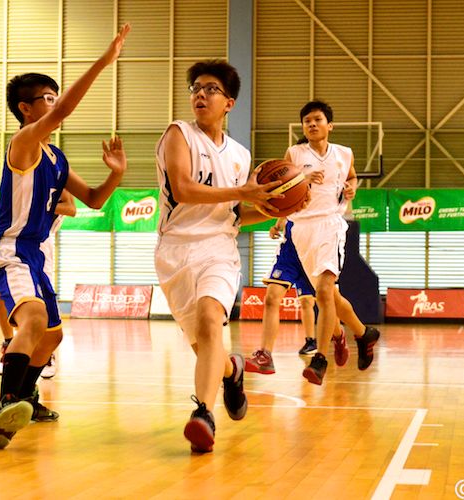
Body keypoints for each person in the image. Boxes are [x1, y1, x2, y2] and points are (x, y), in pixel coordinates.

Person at [0, 23, 130, 449]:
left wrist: (116, 175)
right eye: (45, 99)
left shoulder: (55, 156)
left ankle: (27, 396)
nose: (53, 104)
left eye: (54, 96)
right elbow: (64, 112)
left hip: (38, 257)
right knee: (31, 320)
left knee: (52, 336)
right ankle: (5, 404)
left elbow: (95, 200)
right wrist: (104, 61)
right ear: (25, 109)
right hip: (12, 250)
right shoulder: (25, 143)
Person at [155, 59, 285, 453]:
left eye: (211, 89)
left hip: (219, 250)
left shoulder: (241, 156)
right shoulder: (179, 133)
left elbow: (234, 214)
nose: (200, 93)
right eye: (196, 87)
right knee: (208, 352)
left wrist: (273, 208)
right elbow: (182, 189)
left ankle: (203, 415)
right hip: (175, 250)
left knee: (213, 321)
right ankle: (233, 371)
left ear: (229, 103)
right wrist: (243, 194)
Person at [287, 101, 381, 385]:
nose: (311, 125)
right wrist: (301, 177)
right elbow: (283, 186)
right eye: (307, 121)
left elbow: (351, 178)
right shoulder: (294, 153)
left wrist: (353, 187)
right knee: (327, 296)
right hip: (301, 228)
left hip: (330, 224)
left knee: (325, 292)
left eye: (317, 120)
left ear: (330, 125)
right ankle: (363, 333)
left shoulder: (344, 153)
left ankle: (320, 358)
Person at [0, 191, 76, 378]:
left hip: (40, 241)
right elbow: (0, 207)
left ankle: (45, 352)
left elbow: (70, 208)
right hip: (12, 238)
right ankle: (8, 343)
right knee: (0, 287)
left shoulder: (56, 175)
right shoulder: (19, 175)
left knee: (41, 295)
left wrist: (34, 205)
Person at [245, 218, 317, 374]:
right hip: (289, 255)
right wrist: (276, 227)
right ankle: (265, 355)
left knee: (328, 301)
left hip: (313, 252)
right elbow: (286, 209)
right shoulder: (295, 196)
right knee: (271, 298)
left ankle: (340, 336)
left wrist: (350, 192)